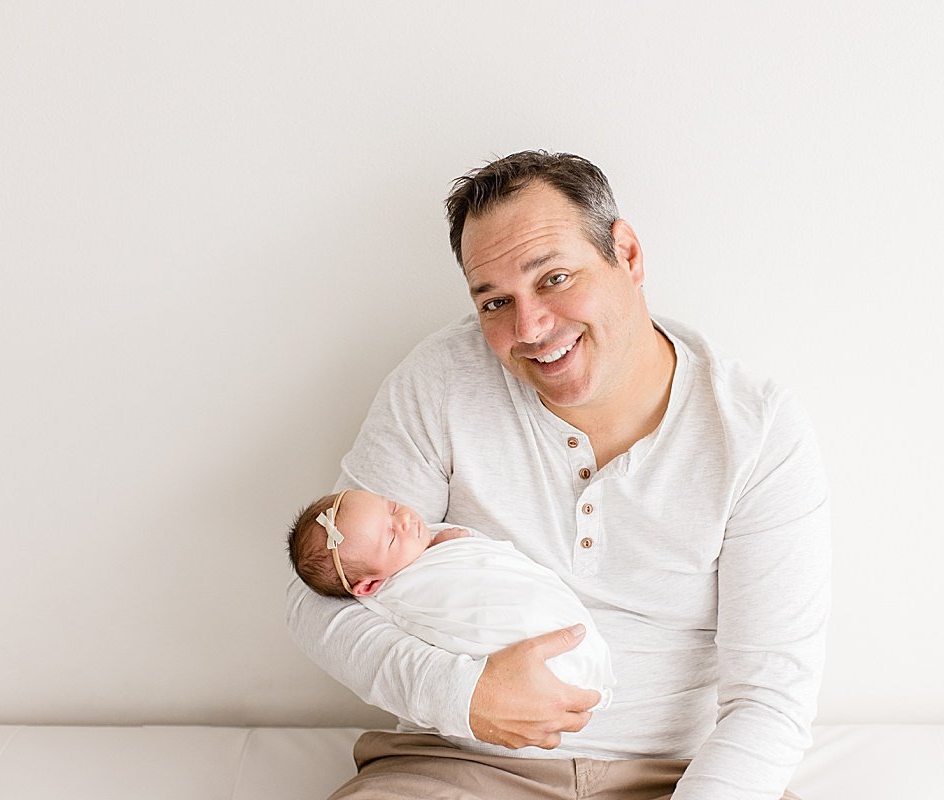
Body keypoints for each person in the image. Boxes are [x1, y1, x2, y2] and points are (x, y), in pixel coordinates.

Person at [286, 150, 830, 799]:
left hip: (680, 776)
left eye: (553, 279)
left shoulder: (757, 429)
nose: (530, 329)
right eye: (494, 302)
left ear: (626, 254)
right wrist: (460, 696)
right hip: (458, 766)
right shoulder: (438, 381)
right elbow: (317, 600)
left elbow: (771, 698)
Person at [286, 488, 615, 705]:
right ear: (370, 586)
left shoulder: (416, 545)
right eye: (390, 536)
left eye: (392, 507)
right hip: (475, 731)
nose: (403, 520)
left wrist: (452, 541)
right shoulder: (395, 592)